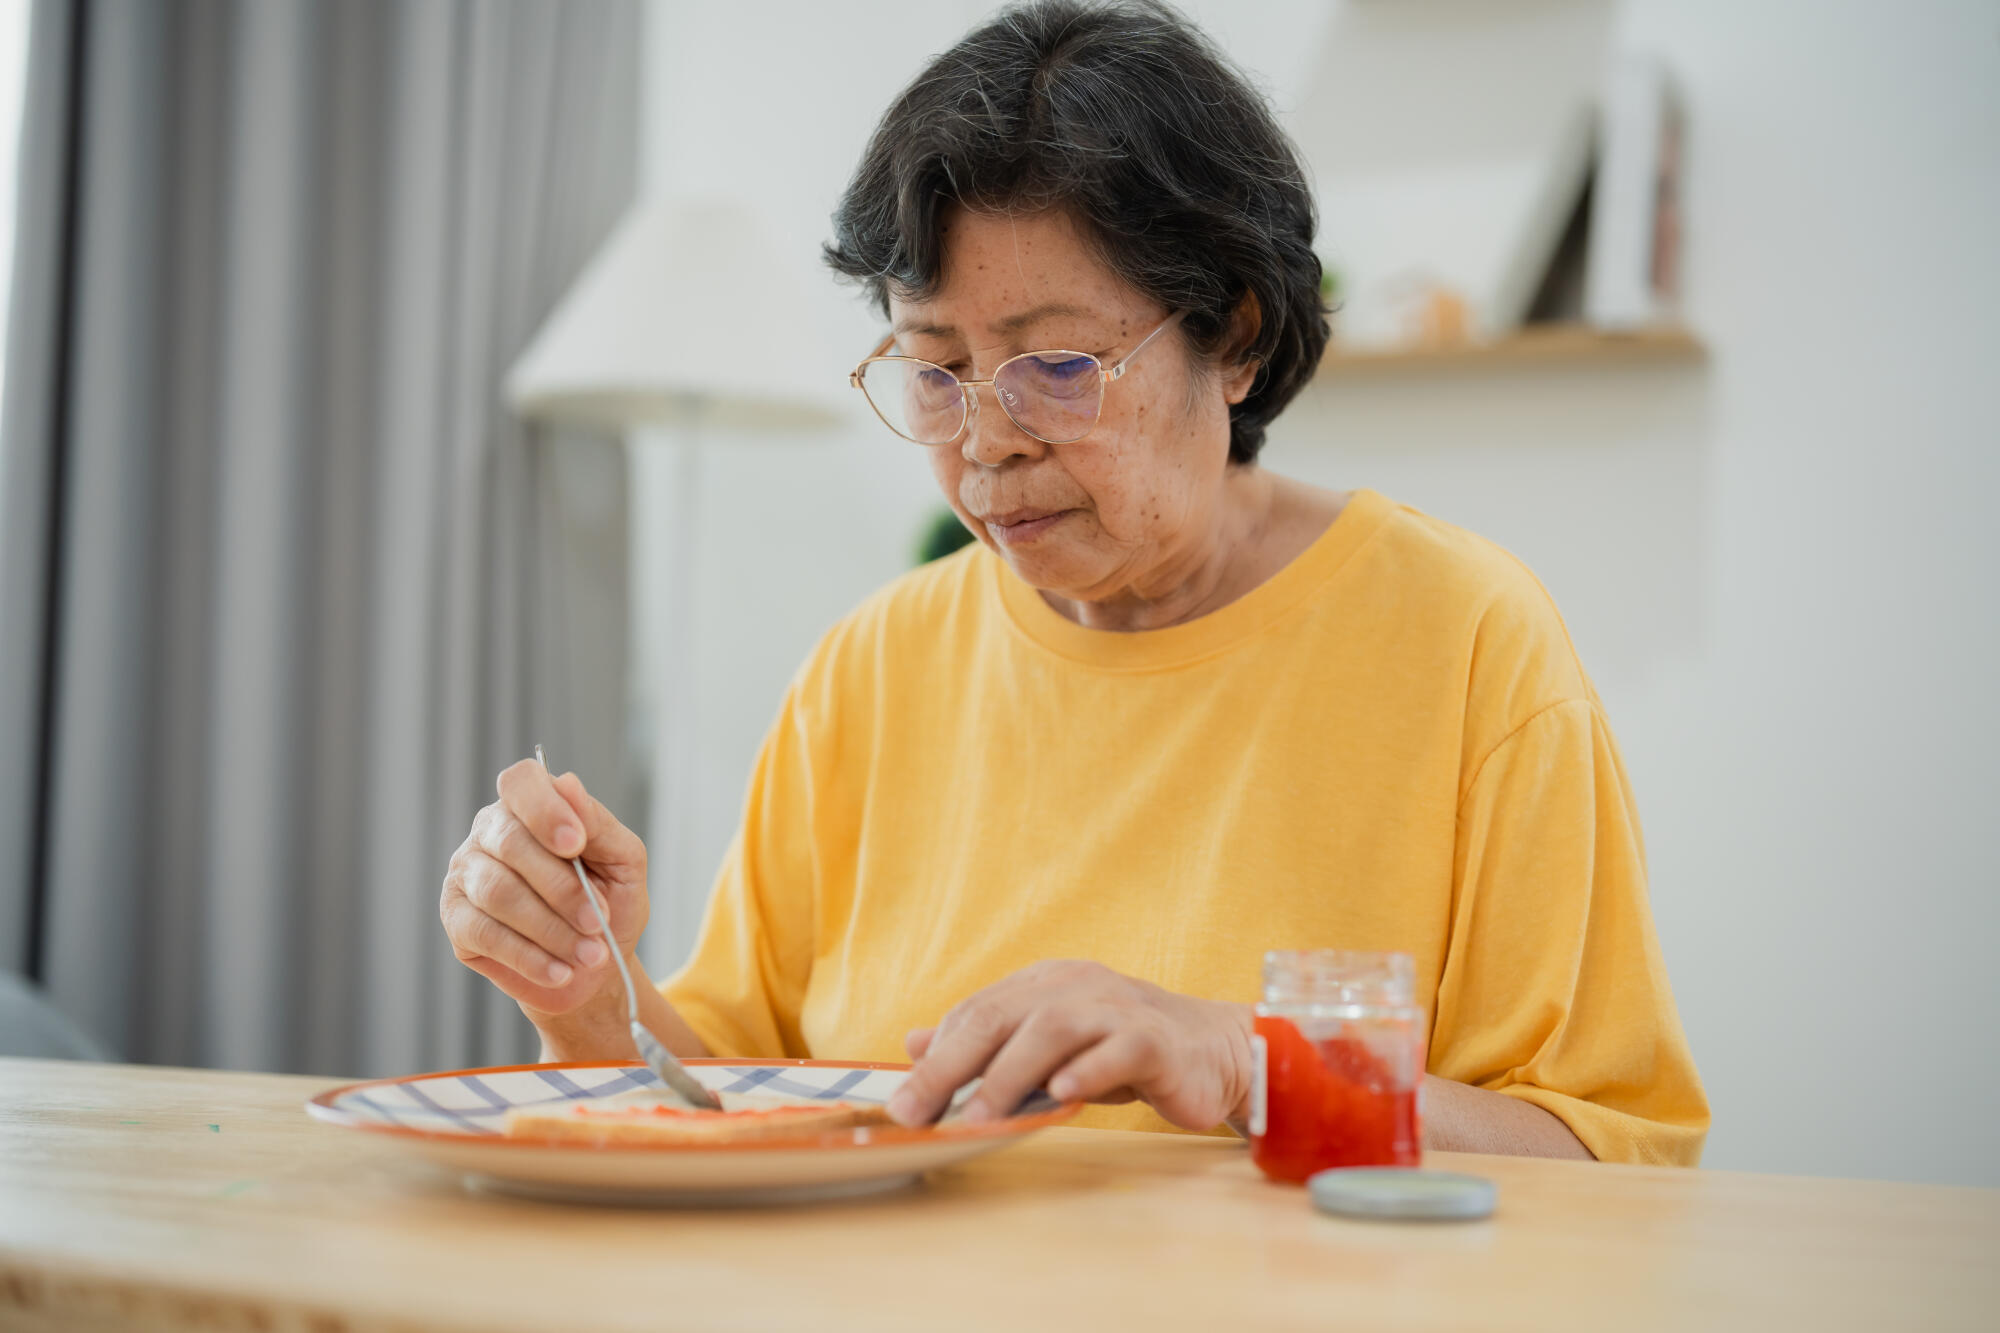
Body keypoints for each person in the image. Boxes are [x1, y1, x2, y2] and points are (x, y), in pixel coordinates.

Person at [440, 0, 1708, 1163]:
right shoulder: (869, 669)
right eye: (933, 371)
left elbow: (1605, 1158)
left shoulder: (1466, 643)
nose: (986, 441)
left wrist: (1241, 1061)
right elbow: (734, 1101)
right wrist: (592, 1001)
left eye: (1053, 366)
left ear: (1237, 338)